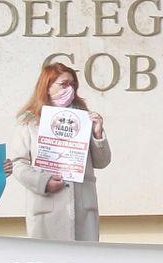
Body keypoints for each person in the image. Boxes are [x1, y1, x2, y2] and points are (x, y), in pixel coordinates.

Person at [8, 62, 109, 241]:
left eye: (72, 85)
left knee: (83, 262)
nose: (69, 89)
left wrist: (98, 133)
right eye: (63, 84)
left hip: (82, 209)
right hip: (47, 207)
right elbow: (18, 163)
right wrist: (42, 181)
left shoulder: (84, 119)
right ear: (47, 87)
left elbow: (102, 162)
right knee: (48, 262)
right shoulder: (29, 122)